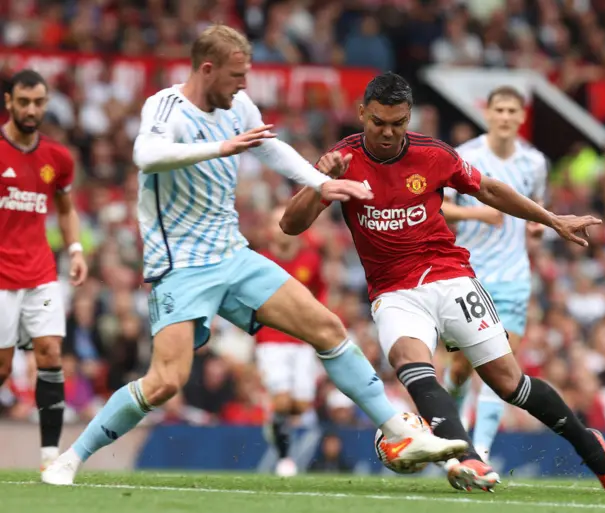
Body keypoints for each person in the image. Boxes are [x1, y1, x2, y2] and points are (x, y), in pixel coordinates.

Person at [42, 26, 467, 486]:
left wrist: (321, 183)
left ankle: (398, 430)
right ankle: (71, 458)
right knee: (166, 380)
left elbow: (268, 146)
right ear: (208, 69)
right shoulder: (167, 107)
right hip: (181, 265)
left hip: (232, 254)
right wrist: (222, 147)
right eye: (236, 76)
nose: (243, 86)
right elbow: (147, 155)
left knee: (327, 328)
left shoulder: (237, 106)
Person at [279, 72, 605, 494]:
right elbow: (290, 225)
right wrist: (320, 184)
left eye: (398, 123)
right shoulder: (340, 159)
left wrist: (551, 219)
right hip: (393, 291)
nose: (388, 133)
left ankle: (590, 447)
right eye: (378, 123)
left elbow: (491, 190)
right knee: (412, 364)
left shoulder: (434, 154)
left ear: (409, 117)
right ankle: (468, 460)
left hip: (451, 277)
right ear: (361, 114)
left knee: (509, 383)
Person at [440, 86, 546, 462]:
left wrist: (534, 226)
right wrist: (478, 213)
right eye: (498, 109)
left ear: (521, 117)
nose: (504, 116)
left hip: (514, 277)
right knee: (461, 367)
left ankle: (479, 451)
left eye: (511, 110)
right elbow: (442, 210)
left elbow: (535, 206)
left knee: (502, 367)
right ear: (487, 114)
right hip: (470, 277)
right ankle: (449, 433)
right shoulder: (466, 156)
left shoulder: (534, 163)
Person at [0, 69, 88, 472]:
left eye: (38, 102)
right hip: (1, 275)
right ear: (9, 102)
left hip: (40, 272)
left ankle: (50, 458)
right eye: (23, 102)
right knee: (2, 367)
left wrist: (74, 249)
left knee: (51, 353)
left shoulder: (58, 157)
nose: (31, 109)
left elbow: (66, 209)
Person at [256, 206, 325, 477]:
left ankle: (274, 422)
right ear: (268, 230)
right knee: (283, 402)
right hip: (271, 338)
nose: (282, 226)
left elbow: (320, 293)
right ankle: (285, 458)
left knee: (300, 407)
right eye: (275, 222)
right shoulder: (261, 261)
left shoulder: (310, 260)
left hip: (302, 339)